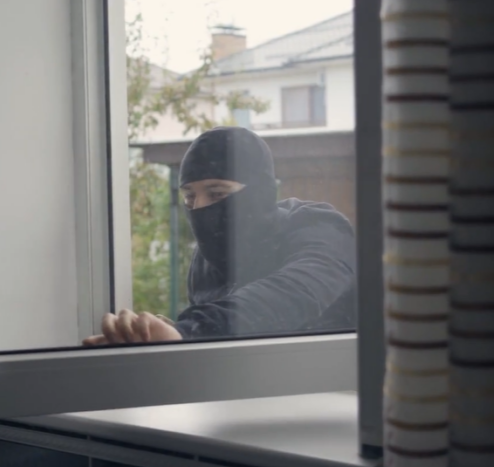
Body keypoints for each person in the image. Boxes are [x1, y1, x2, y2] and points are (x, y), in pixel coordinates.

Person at [83, 126, 356, 346]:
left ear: (260, 192)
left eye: (217, 194)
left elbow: (292, 295)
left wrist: (189, 333)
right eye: (190, 197)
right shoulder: (204, 260)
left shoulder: (321, 230)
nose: (199, 208)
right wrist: (164, 335)